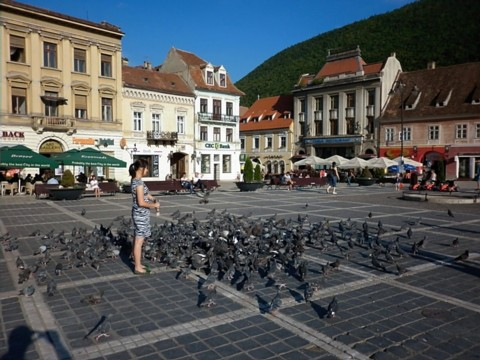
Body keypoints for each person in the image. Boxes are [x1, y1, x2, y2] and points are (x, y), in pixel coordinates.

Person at [129, 158, 159, 275]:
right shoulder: (139, 183)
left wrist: (152, 198)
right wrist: (154, 204)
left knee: (138, 238)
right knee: (139, 241)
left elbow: (145, 194)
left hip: (139, 214)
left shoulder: (136, 180)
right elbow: (141, 202)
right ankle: (137, 267)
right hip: (141, 214)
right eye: (147, 168)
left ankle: (138, 262)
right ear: (141, 169)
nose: (148, 170)